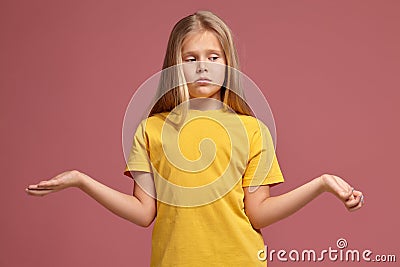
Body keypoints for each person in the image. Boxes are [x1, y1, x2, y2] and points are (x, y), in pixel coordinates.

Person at [26, 10, 364, 267]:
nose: (203, 67)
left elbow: (257, 213)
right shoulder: (151, 130)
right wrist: (82, 181)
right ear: (176, 65)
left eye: (213, 58)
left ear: (228, 64)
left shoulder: (252, 130)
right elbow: (144, 212)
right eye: (191, 59)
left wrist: (321, 184)